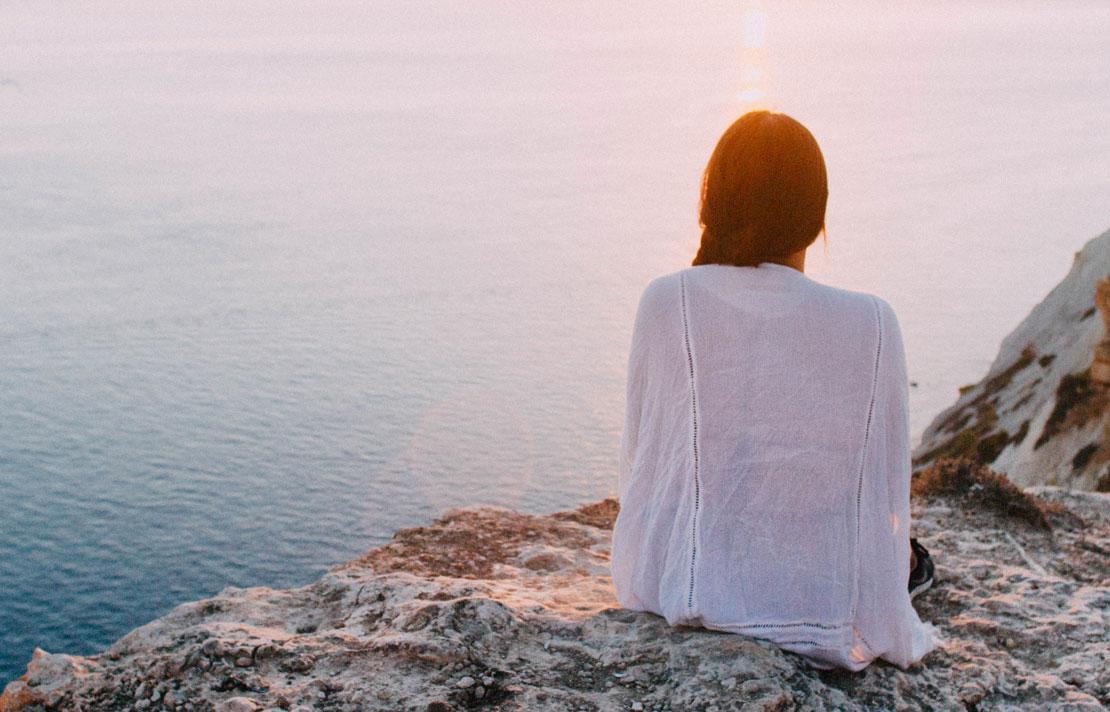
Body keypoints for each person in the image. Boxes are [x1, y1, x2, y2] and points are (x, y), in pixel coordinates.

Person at [609, 110, 942, 671]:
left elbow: (645, 472)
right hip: (821, 589)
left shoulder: (667, 302)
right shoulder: (874, 321)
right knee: (905, 558)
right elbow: (883, 489)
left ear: (712, 203)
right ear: (815, 218)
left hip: (691, 584)